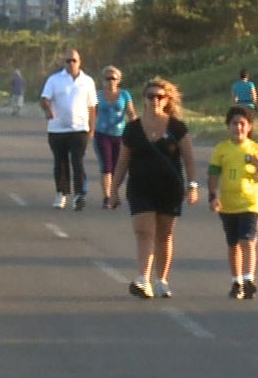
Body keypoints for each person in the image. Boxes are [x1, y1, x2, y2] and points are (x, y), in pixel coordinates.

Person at [122, 77, 198, 298]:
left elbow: (189, 159)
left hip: (169, 188)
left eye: (160, 96)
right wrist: (112, 190)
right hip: (140, 186)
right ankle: (143, 279)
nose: (155, 100)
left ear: (166, 100)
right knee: (143, 232)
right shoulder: (133, 128)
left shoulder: (177, 128)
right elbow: (123, 161)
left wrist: (193, 186)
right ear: (144, 99)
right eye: (151, 96)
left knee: (164, 235)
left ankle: (161, 280)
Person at [208, 105, 258, 299]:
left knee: (248, 240)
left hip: (250, 204)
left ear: (250, 127)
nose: (239, 127)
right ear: (228, 126)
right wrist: (212, 196)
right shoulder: (221, 149)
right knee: (233, 244)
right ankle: (236, 281)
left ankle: (248, 278)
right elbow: (213, 174)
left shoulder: (257, 150)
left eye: (242, 124)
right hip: (228, 204)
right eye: (234, 123)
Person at [40, 49, 99, 210]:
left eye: (74, 60)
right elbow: (45, 98)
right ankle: (61, 193)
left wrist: (92, 129)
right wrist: (48, 110)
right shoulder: (54, 79)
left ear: (79, 62)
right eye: (68, 61)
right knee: (60, 162)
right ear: (64, 63)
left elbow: (92, 107)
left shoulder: (87, 81)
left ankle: (79, 195)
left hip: (79, 129)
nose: (71, 63)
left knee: (77, 161)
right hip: (57, 130)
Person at [92, 66, 134, 209]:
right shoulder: (97, 95)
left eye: (113, 78)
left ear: (119, 80)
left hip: (120, 136)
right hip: (102, 134)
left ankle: (114, 193)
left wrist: (136, 126)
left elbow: (131, 113)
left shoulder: (125, 95)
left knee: (118, 168)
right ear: (102, 81)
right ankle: (107, 197)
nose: (110, 81)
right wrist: (89, 129)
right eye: (107, 78)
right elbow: (92, 114)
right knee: (106, 167)